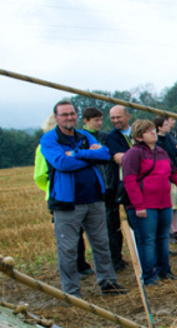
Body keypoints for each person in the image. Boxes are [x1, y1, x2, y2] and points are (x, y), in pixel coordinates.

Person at [39, 100, 128, 297]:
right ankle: (71, 292)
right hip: (66, 203)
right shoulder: (48, 139)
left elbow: (105, 155)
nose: (69, 117)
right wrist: (90, 158)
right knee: (68, 249)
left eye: (72, 113)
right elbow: (62, 163)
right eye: (64, 115)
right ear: (56, 118)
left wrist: (77, 154)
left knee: (101, 243)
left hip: (95, 198)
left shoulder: (83, 135)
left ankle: (108, 283)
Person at [121, 119, 177, 286]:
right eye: (148, 131)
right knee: (147, 240)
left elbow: (175, 175)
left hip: (164, 203)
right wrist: (139, 205)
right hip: (145, 205)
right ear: (138, 136)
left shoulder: (160, 152)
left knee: (163, 237)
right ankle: (149, 276)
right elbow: (129, 181)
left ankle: (164, 270)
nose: (153, 133)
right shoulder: (133, 154)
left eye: (152, 130)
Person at [35, 113, 93, 278]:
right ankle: (74, 268)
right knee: (69, 236)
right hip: (60, 196)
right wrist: (52, 186)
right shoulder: (44, 148)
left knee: (78, 232)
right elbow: (40, 175)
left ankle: (80, 264)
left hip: (78, 193)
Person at [104, 105, 134, 270]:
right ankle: (116, 259)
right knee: (113, 223)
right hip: (120, 184)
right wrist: (141, 156)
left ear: (127, 116)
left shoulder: (137, 132)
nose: (115, 121)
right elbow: (119, 158)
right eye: (113, 118)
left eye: (118, 117)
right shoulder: (112, 137)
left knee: (139, 220)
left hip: (141, 183)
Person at [153, 115, 177, 238]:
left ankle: (176, 230)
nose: (169, 126)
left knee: (175, 203)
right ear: (159, 127)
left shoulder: (169, 138)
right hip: (163, 175)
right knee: (167, 205)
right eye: (165, 125)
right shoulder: (157, 141)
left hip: (173, 171)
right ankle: (168, 232)